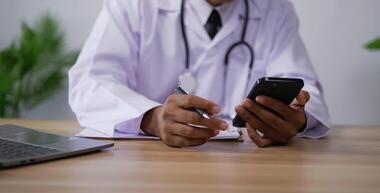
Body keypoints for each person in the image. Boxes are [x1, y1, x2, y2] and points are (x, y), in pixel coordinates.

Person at [69, 0, 331, 148]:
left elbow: (305, 90)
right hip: (153, 166)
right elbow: (89, 82)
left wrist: (297, 118)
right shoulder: (134, 4)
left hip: (250, 170)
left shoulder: (274, 8)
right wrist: (152, 118)